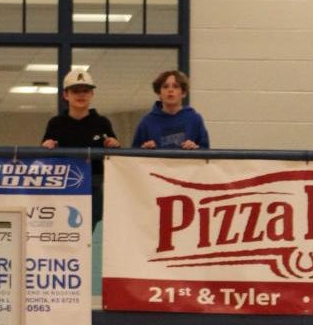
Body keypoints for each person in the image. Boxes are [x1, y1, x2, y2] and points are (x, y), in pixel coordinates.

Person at [40, 65, 119, 223]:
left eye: (85, 91)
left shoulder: (102, 123)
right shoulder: (56, 123)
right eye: (76, 91)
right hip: (63, 188)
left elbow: (115, 154)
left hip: (94, 187)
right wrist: (46, 146)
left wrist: (114, 145)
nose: (81, 95)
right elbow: (45, 154)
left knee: (90, 235)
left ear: (92, 94)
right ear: (66, 95)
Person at [134, 69, 210, 150]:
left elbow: (206, 154)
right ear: (159, 93)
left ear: (183, 93)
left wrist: (195, 148)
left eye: (175, 86)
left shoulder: (194, 119)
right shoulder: (146, 122)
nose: (170, 90)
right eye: (165, 86)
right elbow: (133, 155)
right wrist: (144, 150)